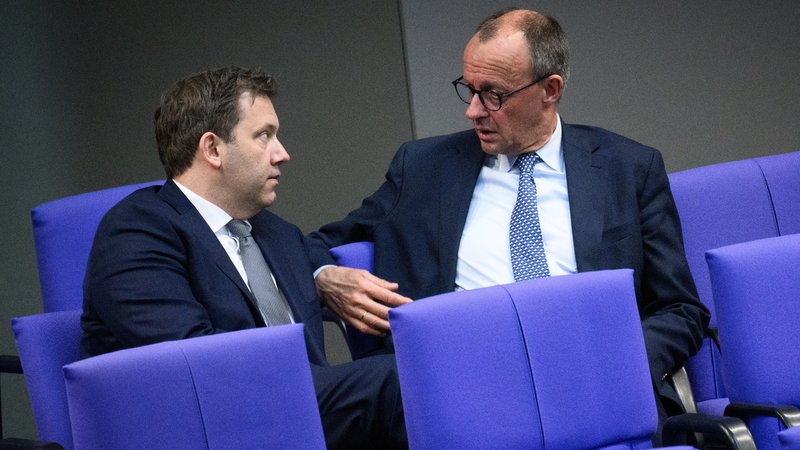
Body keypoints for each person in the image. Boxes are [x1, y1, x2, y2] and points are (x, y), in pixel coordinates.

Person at [308, 8, 710, 433]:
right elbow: (312, 245)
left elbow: (680, 309)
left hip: (595, 389)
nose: (474, 111)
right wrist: (325, 276)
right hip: (465, 392)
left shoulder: (627, 169)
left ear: (550, 90)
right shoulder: (423, 169)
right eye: (470, 89)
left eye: (494, 95)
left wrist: (616, 362)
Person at [81, 66, 407, 450]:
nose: (283, 154)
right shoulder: (136, 230)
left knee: (417, 367)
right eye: (264, 136)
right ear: (213, 149)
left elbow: (311, 249)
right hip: (205, 421)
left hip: (296, 411)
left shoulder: (274, 232)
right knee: (396, 381)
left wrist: (323, 275)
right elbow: (190, 355)